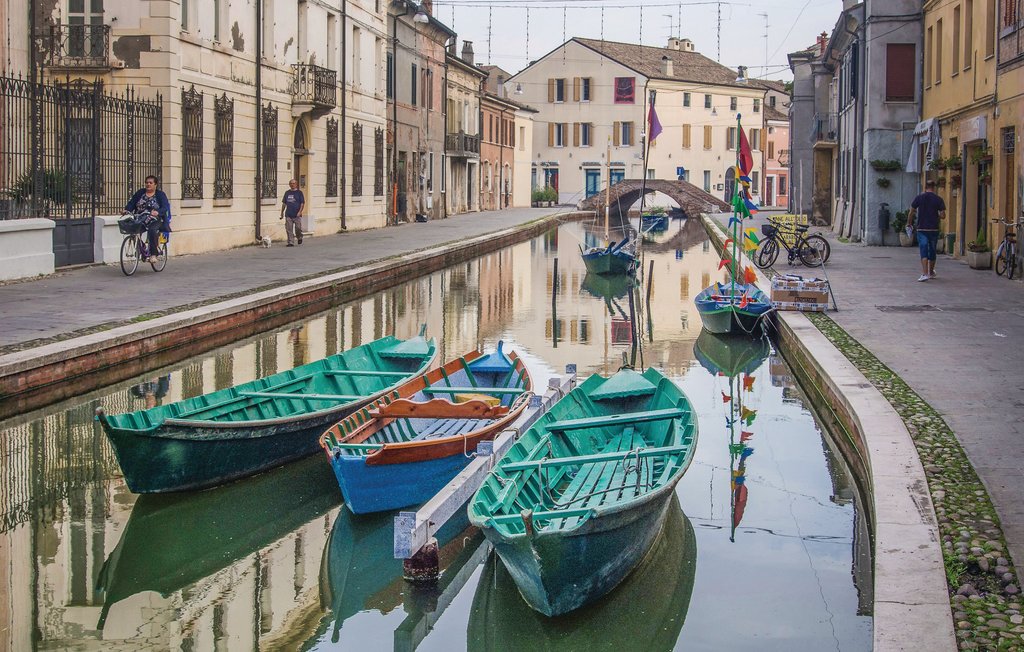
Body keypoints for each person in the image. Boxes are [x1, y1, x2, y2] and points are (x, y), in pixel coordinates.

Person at [124, 175, 171, 263]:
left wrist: (158, 212)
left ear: (155, 184)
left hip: (155, 219)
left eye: (150, 183)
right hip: (141, 217)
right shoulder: (140, 193)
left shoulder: (160, 195)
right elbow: (132, 202)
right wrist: (126, 210)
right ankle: (141, 248)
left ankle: (153, 254)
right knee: (134, 230)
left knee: (152, 230)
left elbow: (165, 207)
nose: (148, 184)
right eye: (146, 183)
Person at [908, 179, 946, 282]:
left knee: (923, 249)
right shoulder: (939, 199)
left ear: (925, 187)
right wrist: (936, 214)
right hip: (933, 229)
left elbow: (911, 211)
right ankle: (931, 271)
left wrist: (909, 223)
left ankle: (924, 274)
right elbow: (943, 216)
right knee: (932, 250)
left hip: (922, 228)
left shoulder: (919, 198)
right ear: (934, 188)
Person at [281, 179, 305, 246]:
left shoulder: (299, 193)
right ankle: (290, 242)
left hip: (297, 214)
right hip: (288, 214)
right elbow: (284, 204)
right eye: (291, 183)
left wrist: (300, 212)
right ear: (289, 185)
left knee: (298, 228)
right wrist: (282, 213)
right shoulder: (287, 193)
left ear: (296, 184)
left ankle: (299, 237)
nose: (292, 185)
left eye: (293, 183)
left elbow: (302, 203)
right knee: (289, 229)